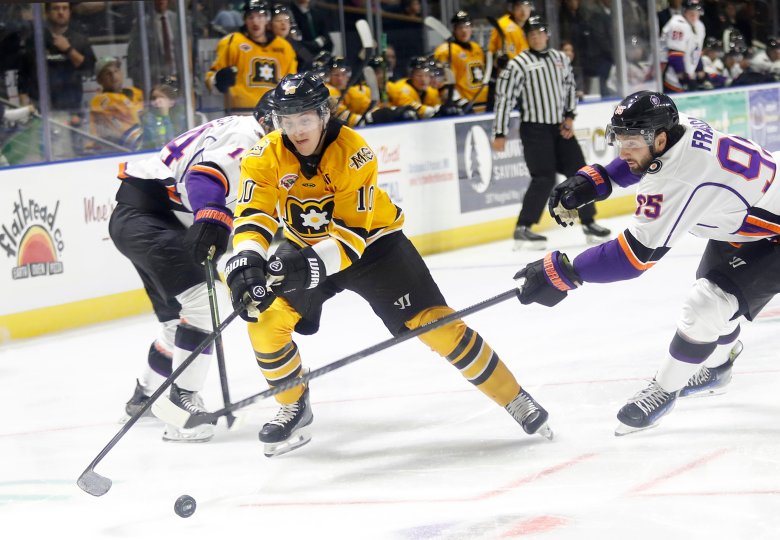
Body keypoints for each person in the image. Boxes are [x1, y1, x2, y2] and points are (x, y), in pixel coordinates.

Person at [223, 72, 553, 457]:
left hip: (375, 248)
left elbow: (350, 240)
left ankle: (514, 397)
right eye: (288, 120)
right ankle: (293, 404)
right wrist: (248, 259)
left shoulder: (354, 152)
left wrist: (296, 267)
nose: (296, 130)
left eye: (305, 119)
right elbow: (254, 215)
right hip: (303, 247)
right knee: (265, 321)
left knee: (439, 327)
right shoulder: (263, 156)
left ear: (323, 115)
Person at [513, 90, 778, 435]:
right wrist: (595, 180)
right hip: (746, 217)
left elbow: (633, 258)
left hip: (766, 230)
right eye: (620, 140)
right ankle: (717, 369)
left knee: (708, 304)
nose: (624, 151)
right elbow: (644, 160)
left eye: (632, 142)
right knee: (718, 301)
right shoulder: (678, 129)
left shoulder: (678, 177)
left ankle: (665, 390)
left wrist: (564, 271)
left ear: (660, 138)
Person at [112, 103, 269, 442]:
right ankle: (180, 410)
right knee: (203, 303)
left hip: (144, 216)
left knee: (177, 321)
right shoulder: (250, 138)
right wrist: (210, 216)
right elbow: (203, 176)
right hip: (152, 218)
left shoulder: (240, 126)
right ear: (269, 120)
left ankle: (144, 397)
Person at [491, 15, 610, 250]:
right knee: (543, 177)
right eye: (531, 34)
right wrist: (500, 132)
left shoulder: (560, 58)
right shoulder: (518, 64)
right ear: (527, 38)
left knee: (581, 173)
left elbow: (570, 88)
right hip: (534, 129)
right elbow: (504, 99)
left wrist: (569, 117)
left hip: (560, 127)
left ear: (547, 35)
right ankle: (523, 227)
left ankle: (589, 222)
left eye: (539, 33)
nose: (536, 38)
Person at [17, 1, 96, 157]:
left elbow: (89, 70)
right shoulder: (35, 40)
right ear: (47, 12)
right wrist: (24, 105)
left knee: (70, 155)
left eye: (65, 8)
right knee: (40, 155)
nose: (61, 12)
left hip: (70, 110)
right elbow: (23, 74)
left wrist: (68, 49)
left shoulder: (79, 40)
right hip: (40, 111)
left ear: (70, 12)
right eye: (56, 8)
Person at [206, 0, 298, 113]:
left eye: (260, 16)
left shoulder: (284, 47)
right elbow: (210, 79)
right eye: (250, 17)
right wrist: (217, 80)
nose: (255, 21)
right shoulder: (232, 42)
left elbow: (292, 83)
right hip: (239, 113)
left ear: (267, 19)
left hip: (274, 113)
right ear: (244, 20)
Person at [433, 11, 489, 113]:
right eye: (460, 27)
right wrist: (458, 101)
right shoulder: (446, 51)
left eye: (467, 27)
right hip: (464, 109)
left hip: (484, 105)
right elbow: (441, 83)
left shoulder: (477, 48)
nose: (464, 31)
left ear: (471, 29)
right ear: (454, 30)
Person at [126, 0, 183, 94]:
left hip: (175, 78)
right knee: (159, 101)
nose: (160, 1)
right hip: (155, 80)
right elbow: (133, 55)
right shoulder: (142, 24)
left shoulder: (177, 19)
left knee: (176, 100)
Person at [88, 56, 144, 152]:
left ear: (121, 73)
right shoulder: (100, 101)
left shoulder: (135, 92)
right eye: (108, 74)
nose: (113, 76)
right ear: (99, 80)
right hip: (120, 150)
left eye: (116, 71)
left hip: (144, 145)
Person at [660, 0, 706, 93]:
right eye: (691, 13)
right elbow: (674, 56)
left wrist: (700, 70)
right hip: (671, 77)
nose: (694, 16)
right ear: (684, 11)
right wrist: (684, 79)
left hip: (687, 73)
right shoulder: (678, 24)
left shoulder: (699, 26)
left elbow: (696, 51)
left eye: (696, 13)